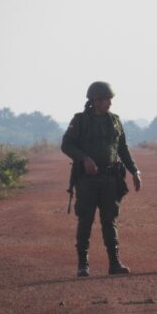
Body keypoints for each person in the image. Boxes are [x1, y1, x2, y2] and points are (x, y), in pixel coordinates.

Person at [61, 81, 142, 277]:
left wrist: (135, 171)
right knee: (85, 220)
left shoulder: (114, 120)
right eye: (105, 99)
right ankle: (83, 264)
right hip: (87, 180)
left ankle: (114, 263)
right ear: (94, 101)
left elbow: (123, 149)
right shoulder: (79, 120)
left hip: (111, 178)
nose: (109, 103)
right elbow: (66, 145)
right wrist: (84, 158)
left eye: (110, 99)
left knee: (110, 220)